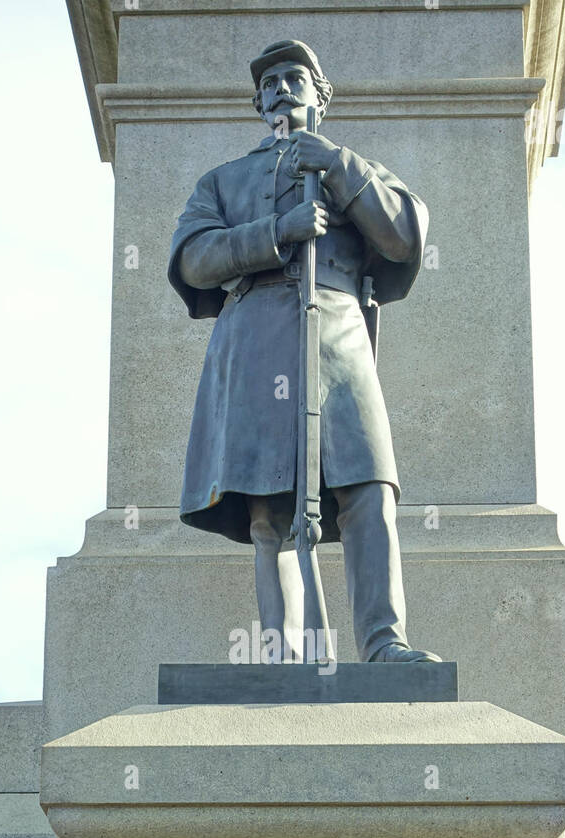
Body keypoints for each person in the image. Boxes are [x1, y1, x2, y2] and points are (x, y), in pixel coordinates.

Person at [168, 38, 441, 663]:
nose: (282, 88)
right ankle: (284, 654)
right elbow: (193, 258)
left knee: (370, 484)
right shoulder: (222, 180)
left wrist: (341, 170)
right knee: (270, 506)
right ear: (258, 102)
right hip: (255, 337)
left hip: (338, 329)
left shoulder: (351, 166)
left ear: (321, 97)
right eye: (270, 83)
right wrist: (274, 234)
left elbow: (404, 235)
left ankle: (383, 643)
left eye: (296, 78)